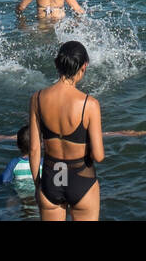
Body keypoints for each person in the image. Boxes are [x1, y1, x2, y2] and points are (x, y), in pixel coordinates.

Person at [29, 41, 104, 221]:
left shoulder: (37, 98)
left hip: (50, 178)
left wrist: (38, 184)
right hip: (81, 180)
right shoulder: (89, 104)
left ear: (57, 63)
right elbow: (99, 156)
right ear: (84, 66)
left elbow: (33, 149)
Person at [0, 126, 36, 199]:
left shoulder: (14, 163)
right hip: (39, 197)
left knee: (11, 201)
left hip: (20, 197)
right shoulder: (43, 162)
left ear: (17, 145)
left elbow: (1, 181)